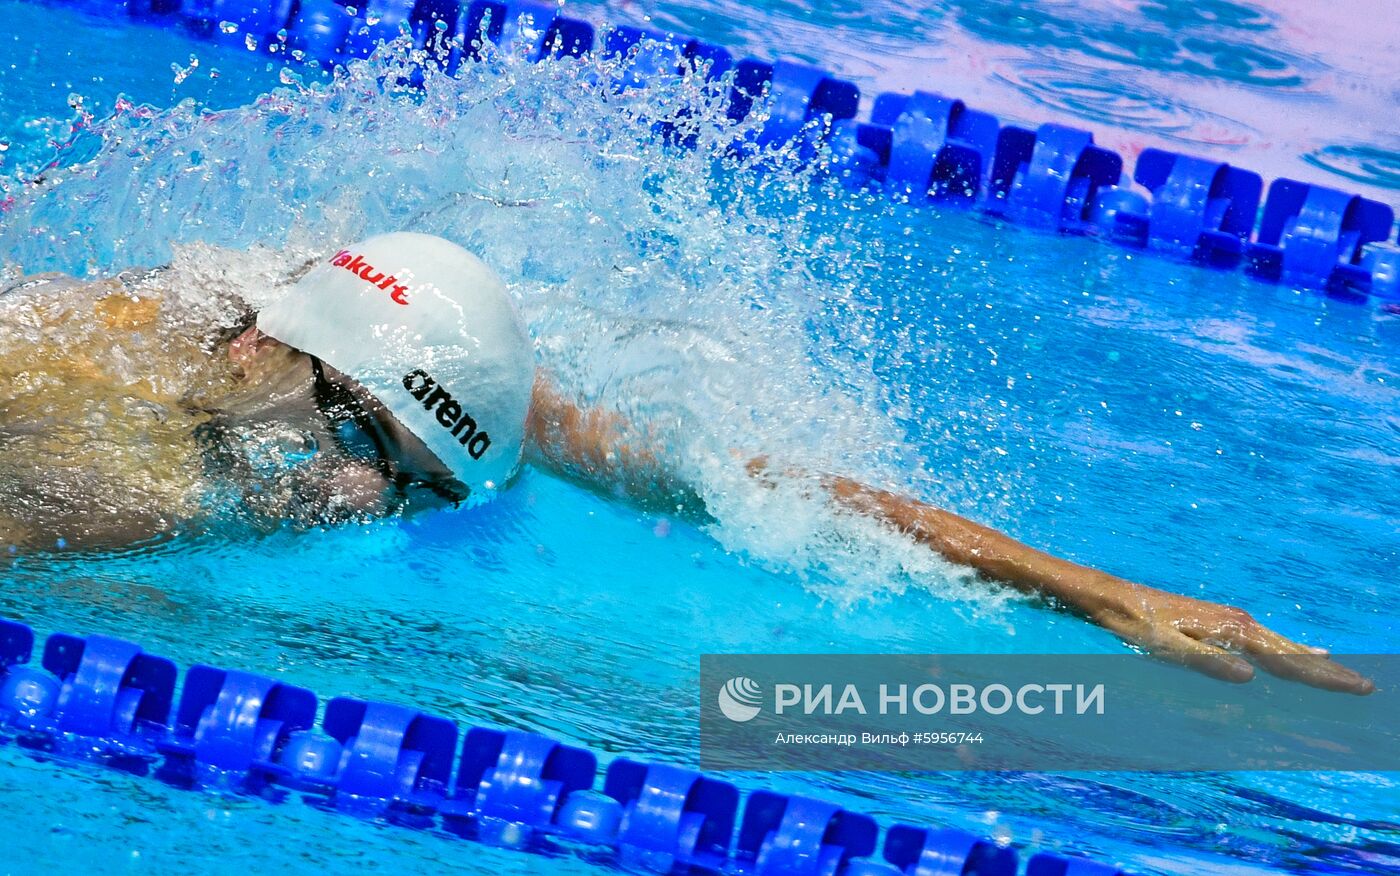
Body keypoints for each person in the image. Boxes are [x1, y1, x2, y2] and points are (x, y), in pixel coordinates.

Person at [0, 233, 1372, 695]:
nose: (345, 500)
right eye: (358, 441)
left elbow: (749, 486)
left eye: (406, 482)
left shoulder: (460, 386)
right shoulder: (104, 429)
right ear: (252, 351)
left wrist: (1102, 594)